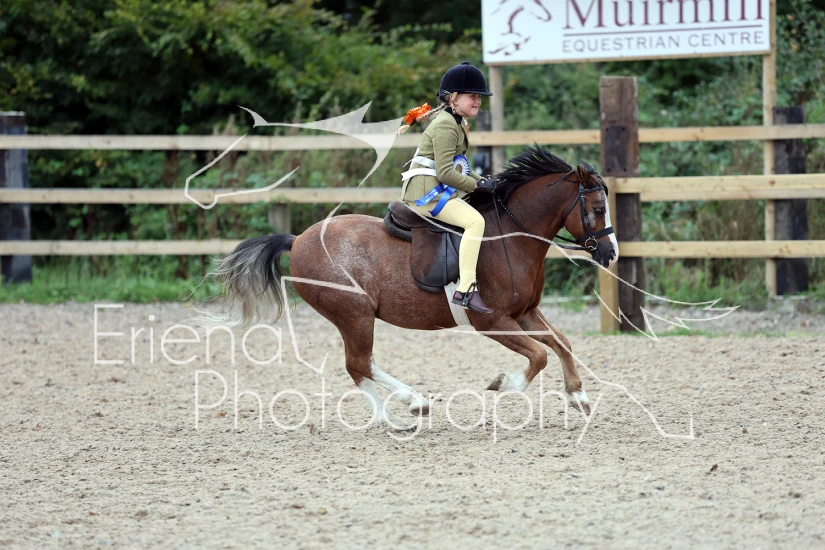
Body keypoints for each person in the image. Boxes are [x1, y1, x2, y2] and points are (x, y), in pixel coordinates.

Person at [398, 61, 496, 315]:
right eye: (472, 96)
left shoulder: (457, 121)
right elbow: (444, 172)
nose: (478, 101)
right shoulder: (445, 124)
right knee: (475, 222)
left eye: (479, 97)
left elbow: (459, 164)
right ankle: (466, 289)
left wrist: (484, 181)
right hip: (426, 193)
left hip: (438, 187)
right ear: (453, 98)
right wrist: (475, 185)